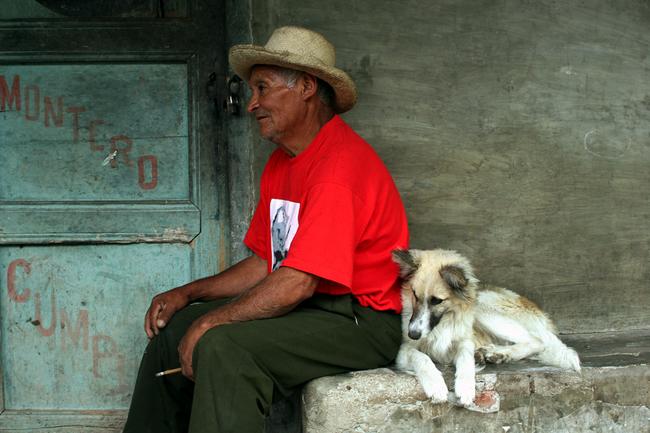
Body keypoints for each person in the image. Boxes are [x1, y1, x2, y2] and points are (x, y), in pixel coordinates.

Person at [123, 26, 409, 433]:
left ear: (307, 87)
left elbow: (297, 282)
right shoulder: (283, 162)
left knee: (223, 346)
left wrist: (212, 323)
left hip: (360, 322)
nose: (252, 103)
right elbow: (266, 262)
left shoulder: (338, 170)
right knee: (174, 334)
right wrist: (189, 295)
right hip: (311, 307)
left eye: (262, 88)